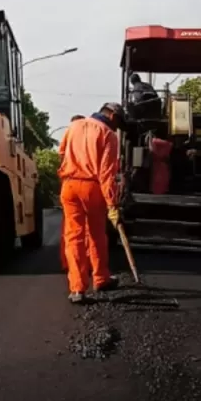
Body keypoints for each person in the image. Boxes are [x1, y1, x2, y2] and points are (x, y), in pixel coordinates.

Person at [58, 103, 123, 303]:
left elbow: (61, 153)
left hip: (69, 186)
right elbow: (106, 173)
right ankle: (101, 278)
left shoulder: (74, 126)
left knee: (73, 237)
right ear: (112, 116)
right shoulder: (109, 135)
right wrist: (112, 203)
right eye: (118, 121)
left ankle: (77, 289)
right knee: (96, 235)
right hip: (91, 188)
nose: (117, 126)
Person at [59, 115, 87, 271]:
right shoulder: (90, 136)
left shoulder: (69, 133)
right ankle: (89, 266)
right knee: (89, 230)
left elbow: (61, 154)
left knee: (71, 230)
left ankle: (68, 264)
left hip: (69, 183)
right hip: (91, 184)